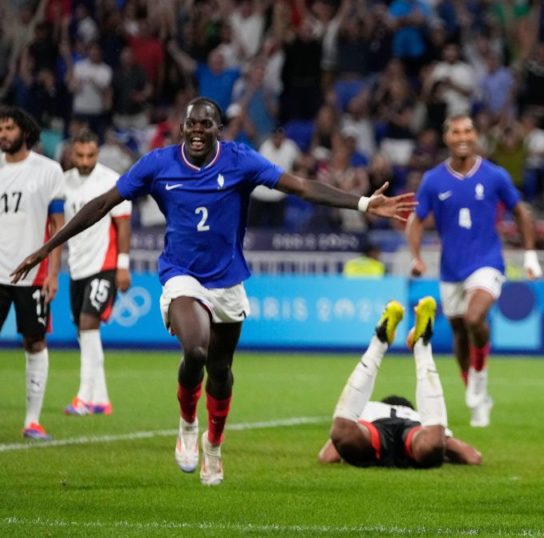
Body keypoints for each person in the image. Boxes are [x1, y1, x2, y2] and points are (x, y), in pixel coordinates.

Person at [11, 97, 415, 485]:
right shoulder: (158, 163)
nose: (198, 130)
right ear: (183, 127)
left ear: (218, 129)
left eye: (206, 124)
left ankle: (214, 445)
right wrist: (47, 249)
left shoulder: (240, 160)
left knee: (220, 372)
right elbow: (101, 204)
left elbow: (299, 186)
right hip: (180, 274)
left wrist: (363, 204)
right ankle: (188, 424)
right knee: (197, 350)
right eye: (192, 123)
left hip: (227, 280)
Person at [405, 114, 543, 428]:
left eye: (468, 130)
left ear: (476, 135)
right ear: (447, 138)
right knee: (458, 332)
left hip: (488, 262)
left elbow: (520, 211)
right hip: (451, 269)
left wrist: (530, 255)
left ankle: (479, 379)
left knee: (474, 318)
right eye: (456, 131)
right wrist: (415, 256)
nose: (463, 136)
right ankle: (478, 397)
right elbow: (416, 219)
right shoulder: (433, 180)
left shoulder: (494, 176)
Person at [317, 296, 482, 468]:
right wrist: (444, 453)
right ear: (410, 408)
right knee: (432, 444)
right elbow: (472, 456)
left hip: (373, 430)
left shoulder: (369, 408)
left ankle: (379, 343)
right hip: (413, 432)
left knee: (344, 432)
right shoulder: (417, 416)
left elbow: (327, 456)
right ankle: (422, 347)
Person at [0, 106, 65, 441]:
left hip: (33, 274)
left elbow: (57, 228)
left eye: (8, 128)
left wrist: (53, 273)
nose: (3, 134)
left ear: (24, 131)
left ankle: (32, 421)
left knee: (35, 341)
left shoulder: (48, 171)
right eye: (0, 129)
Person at [61, 129, 132, 416]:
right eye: (80, 155)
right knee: (83, 331)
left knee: (89, 323)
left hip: (104, 265)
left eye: (91, 155)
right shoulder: (63, 183)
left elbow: (124, 225)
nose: (86, 160)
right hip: (77, 266)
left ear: (97, 153)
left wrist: (123, 266)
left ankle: (84, 397)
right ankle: (101, 399)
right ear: (71, 154)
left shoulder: (111, 182)